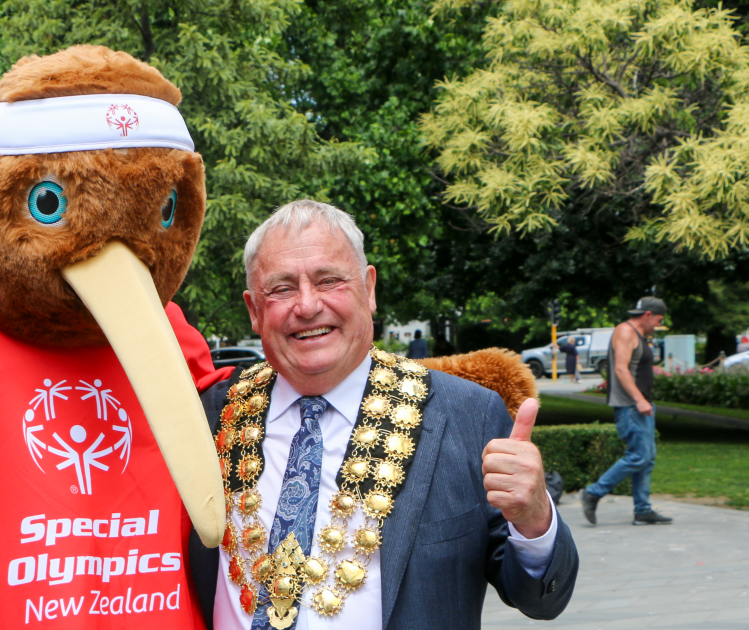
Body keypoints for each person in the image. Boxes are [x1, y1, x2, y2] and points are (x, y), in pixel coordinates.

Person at [189, 200, 577, 630]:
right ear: (254, 310)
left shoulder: (465, 415)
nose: (307, 305)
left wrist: (535, 518)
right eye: (281, 288)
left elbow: (540, 599)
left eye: (329, 280)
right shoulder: (209, 416)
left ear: (369, 288)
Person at [581, 297, 673, 525]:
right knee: (639, 456)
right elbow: (621, 369)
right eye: (658, 320)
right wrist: (639, 399)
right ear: (648, 315)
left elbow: (633, 365)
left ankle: (642, 510)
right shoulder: (625, 331)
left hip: (641, 404)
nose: (658, 325)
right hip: (631, 405)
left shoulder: (638, 334)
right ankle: (593, 492)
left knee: (647, 458)